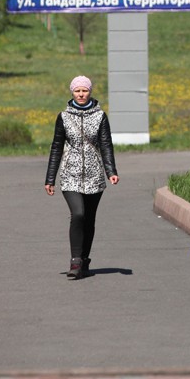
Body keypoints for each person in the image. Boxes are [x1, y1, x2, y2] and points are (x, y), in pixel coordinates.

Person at [44, 75, 119, 279]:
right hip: (70, 174)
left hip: (94, 175)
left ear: (90, 92)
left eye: (84, 90)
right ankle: (75, 261)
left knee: (89, 219)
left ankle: (85, 259)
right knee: (78, 214)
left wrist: (111, 171)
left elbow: (106, 145)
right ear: (72, 92)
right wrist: (50, 178)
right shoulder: (64, 117)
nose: (81, 94)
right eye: (77, 90)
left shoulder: (100, 116)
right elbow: (56, 147)